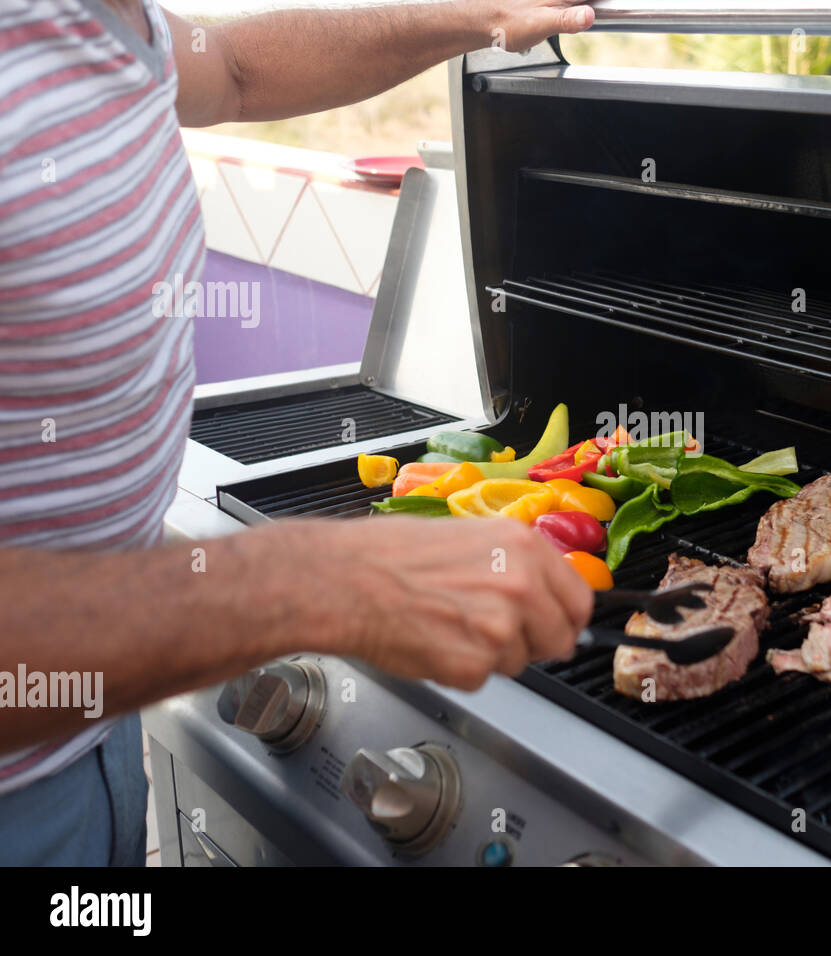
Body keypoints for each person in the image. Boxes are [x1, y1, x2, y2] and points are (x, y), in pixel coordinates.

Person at [0, 0, 595, 865]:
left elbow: (236, 66)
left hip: (85, 734)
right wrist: (311, 581)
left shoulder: (98, 15)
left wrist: (475, 17)